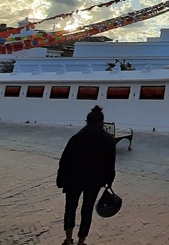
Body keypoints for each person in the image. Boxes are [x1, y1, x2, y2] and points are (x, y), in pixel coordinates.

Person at [57, 105, 116, 245]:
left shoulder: (76, 138)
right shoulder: (108, 140)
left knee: (70, 208)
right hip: (94, 180)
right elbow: (110, 163)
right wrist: (109, 180)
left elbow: (64, 160)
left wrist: (61, 179)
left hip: (73, 178)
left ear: (87, 121)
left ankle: (68, 239)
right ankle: (81, 241)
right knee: (87, 210)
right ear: (102, 122)